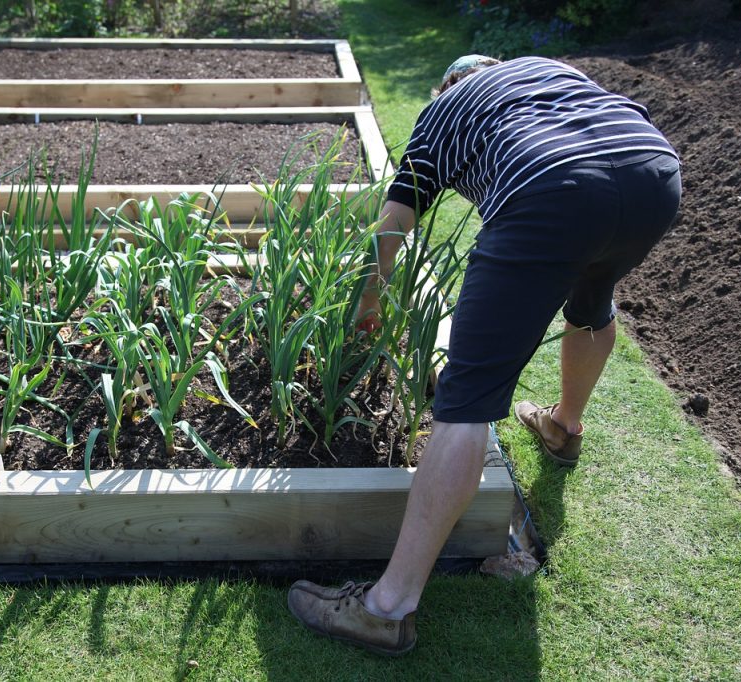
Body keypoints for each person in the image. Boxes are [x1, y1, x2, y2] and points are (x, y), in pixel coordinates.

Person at [286, 54, 682, 656]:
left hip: (552, 185)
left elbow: (393, 226)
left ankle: (385, 608)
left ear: (448, 86)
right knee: (592, 298)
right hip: (653, 172)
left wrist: (367, 303)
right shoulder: (541, 70)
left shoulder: (443, 111)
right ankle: (564, 427)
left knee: (465, 401)